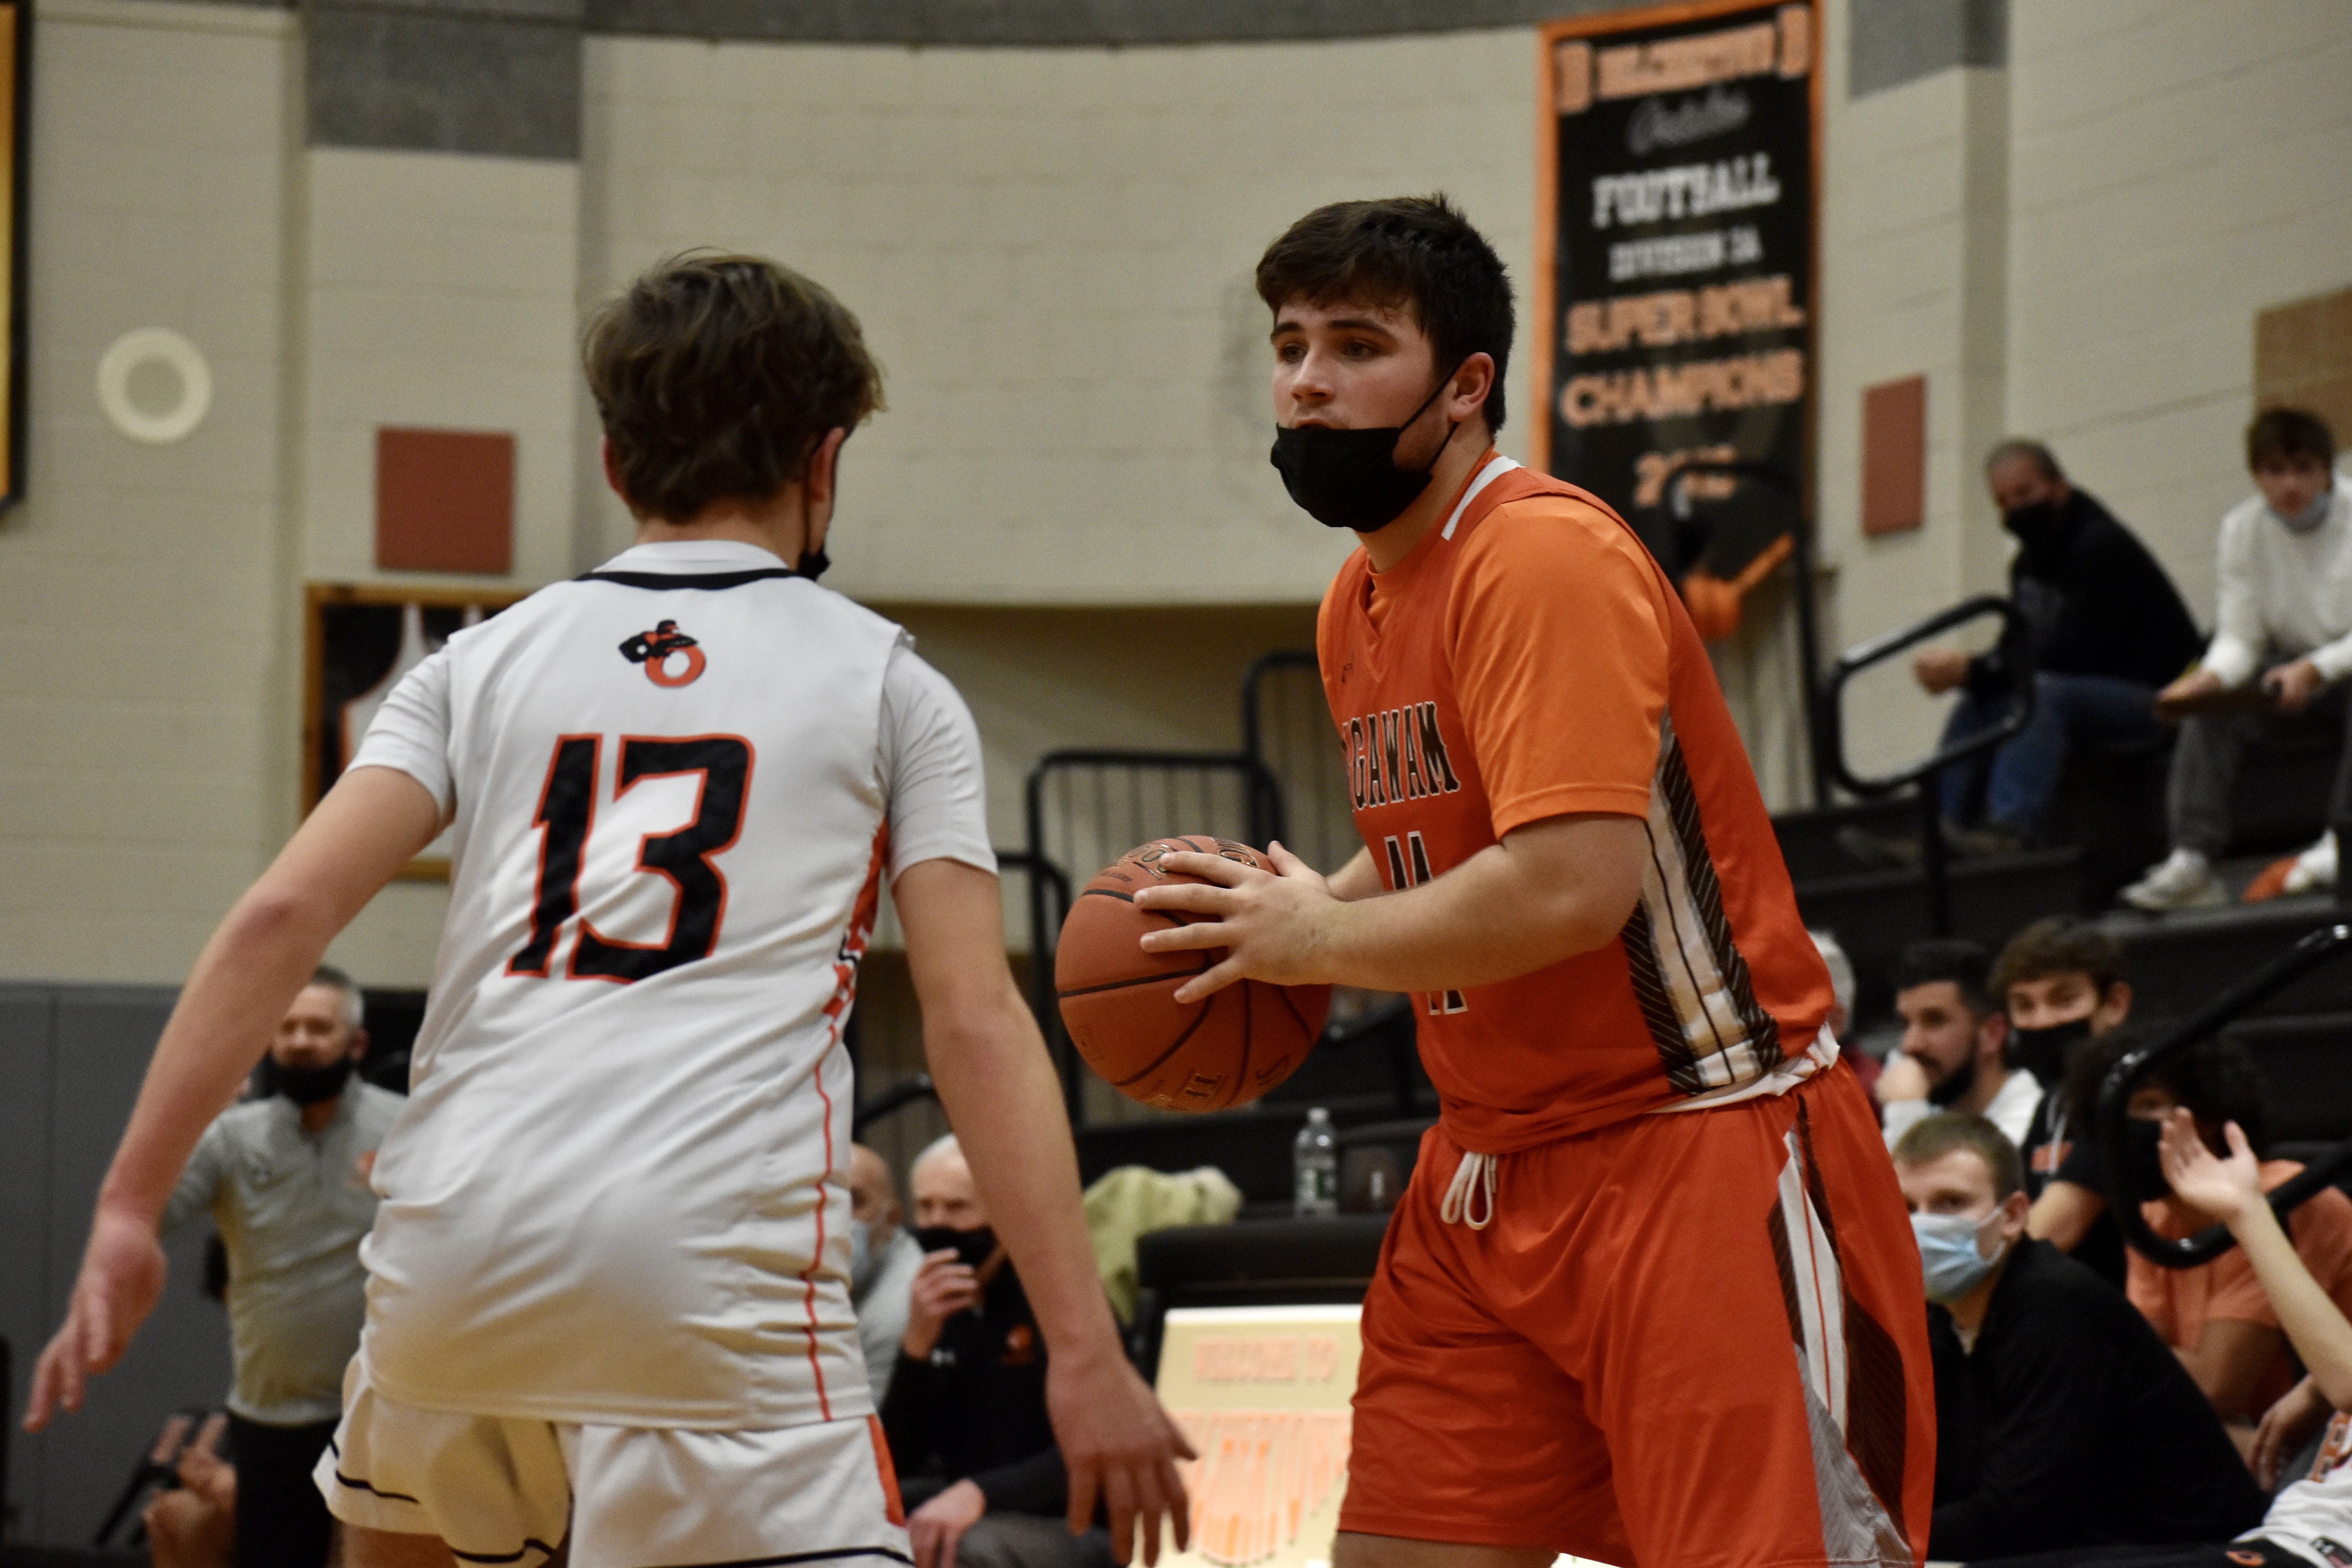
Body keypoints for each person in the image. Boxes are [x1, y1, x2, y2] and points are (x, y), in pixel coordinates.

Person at [22, 253, 1191, 1568]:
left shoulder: (479, 660)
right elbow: (975, 1022)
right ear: (828, 456)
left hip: (454, 1247)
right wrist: (1086, 1352)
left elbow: (277, 917)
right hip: (701, 1270)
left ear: (615, 464)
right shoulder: (889, 687)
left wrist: (127, 1205)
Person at [1134, 195, 1933, 1568]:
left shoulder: (1541, 555)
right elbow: (1435, 849)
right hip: (1487, 1173)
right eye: (1289, 344)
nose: (1308, 378)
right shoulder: (1360, 598)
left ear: (1466, 386)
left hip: (1697, 1145)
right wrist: (1263, 920)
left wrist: (1316, 938)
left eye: (1354, 344)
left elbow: (1571, 887)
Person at [1892, 1114, 2266, 1561]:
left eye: (1951, 1203)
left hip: (2194, 1553)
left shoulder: (2051, 1305)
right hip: (2088, 1547)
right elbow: (1942, 1484)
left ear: (2013, 1215)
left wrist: (1853, 1541)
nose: (1924, 1225)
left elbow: (2014, 1519)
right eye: (1907, 1208)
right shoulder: (1939, 1314)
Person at [153, 968, 400, 1568]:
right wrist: (190, 1116)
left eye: (318, 1027)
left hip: (378, 1413)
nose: (300, 1041)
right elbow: (150, 1219)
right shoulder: (232, 1138)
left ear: (356, 1044)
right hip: (270, 1415)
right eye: (286, 1027)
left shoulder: (403, 1127)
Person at [1906, 439, 2202, 855]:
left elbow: (2073, 653)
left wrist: (1976, 669)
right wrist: (1977, 676)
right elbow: (2017, 649)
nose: (2016, 510)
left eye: (2025, 494)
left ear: (2059, 487)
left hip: (2157, 697)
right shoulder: (2026, 566)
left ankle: (2010, 827)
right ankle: (1937, 831)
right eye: (2004, 503)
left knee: (2042, 694)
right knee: (1979, 702)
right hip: (2086, 695)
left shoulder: (2101, 547)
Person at [2127, 408, 2352, 910]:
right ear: (2257, 475)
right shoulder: (2242, 530)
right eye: (2275, 470)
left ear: (2326, 469)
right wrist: (2204, 682)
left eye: (2303, 468)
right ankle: (2192, 858)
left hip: (2338, 671)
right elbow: (2241, 638)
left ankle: (2343, 841)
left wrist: (2316, 669)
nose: (2290, 484)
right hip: (2289, 669)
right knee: (2209, 711)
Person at [2070, 1028, 2352, 1426]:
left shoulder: (2287, 1199)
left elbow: (2214, 1388)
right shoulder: (2151, 1216)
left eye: (2149, 1106)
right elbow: (2140, 1355)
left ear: (2206, 1116)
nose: (2127, 1128)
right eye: (2118, 1113)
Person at [883, 1135, 1111, 1568]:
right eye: (925, 1206)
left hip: (1072, 1521)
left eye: (957, 1207)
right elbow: (896, 1459)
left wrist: (981, 1492)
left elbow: (1100, 1446)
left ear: (1007, 1214)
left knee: (964, 1549)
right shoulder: (936, 1310)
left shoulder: (1063, 1304)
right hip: (974, 1505)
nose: (937, 1223)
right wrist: (915, 1348)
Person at [1999, 915, 2136, 1288]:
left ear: (2116, 1004)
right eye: (2024, 1006)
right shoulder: (2054, 1101)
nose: (2043, 1022)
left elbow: (2052, 1232)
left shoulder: (2131, 1093)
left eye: (2065, 1000)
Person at [1873, 938, 2037, 1150]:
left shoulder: (2031, 1122)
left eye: (1935, 1021)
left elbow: (1926, 1182)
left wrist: (1906, 1111)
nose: (1911, 1045)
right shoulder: (1931, 1113)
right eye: (1905, 1024)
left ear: (1993, 1034)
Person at [852, 1142, 926, 1405]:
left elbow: (873, 1432)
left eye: (853, 1201)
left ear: (893, 1218)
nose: (835, 1217)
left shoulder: (903, 1299)